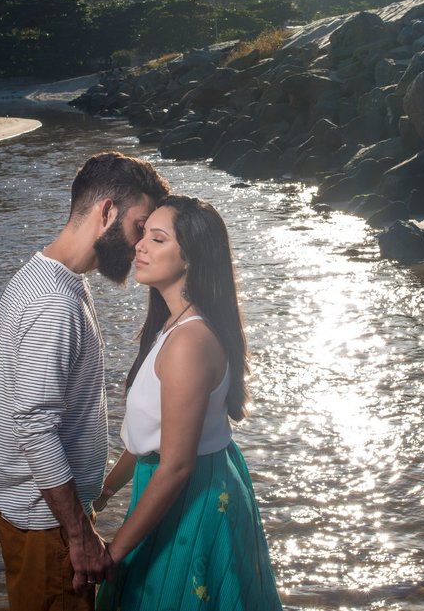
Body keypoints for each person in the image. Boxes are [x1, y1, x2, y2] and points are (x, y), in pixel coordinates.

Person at [0, 151, 170, 611]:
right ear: (107, 212)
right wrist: (79, 535)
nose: (140, 244)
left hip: (37, 512)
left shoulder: (45, 275)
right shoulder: (53, 304)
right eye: (138, 226)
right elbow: (34, 426)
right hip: (44, 520)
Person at [94, 195, 283, 611]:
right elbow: (150, 435)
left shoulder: (189, 342)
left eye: (157, 239)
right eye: (143, 234)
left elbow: (177, 464)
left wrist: (111, 554)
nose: (140, 245)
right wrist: (105, 491)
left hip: (192, 499)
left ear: (191, 259)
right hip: (180, 486)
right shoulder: (172, 324)